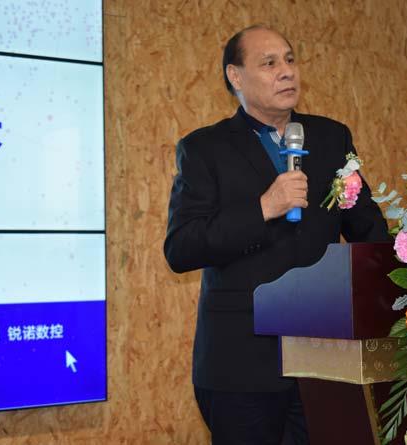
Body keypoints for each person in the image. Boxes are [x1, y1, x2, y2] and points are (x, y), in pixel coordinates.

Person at [164, 24, 390, 445]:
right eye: (269, 63)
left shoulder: (332, 137)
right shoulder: (204, 149)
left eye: (289, 60)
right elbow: (181, 248)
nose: (286, 71)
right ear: (235, 76)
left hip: (325, 357)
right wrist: (263, 208)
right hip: (240, 364)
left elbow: (369, 229)